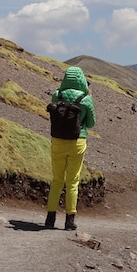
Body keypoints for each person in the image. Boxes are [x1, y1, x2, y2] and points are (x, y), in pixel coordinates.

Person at [45, 66, 96, 231]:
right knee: (72, 182)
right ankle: (69, 220)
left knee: (57, 180)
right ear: (81, 79)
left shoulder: (57, 94)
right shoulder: (86, 99)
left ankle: (50, 218)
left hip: (58, 141)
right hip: (77, 142)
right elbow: (91, 123)